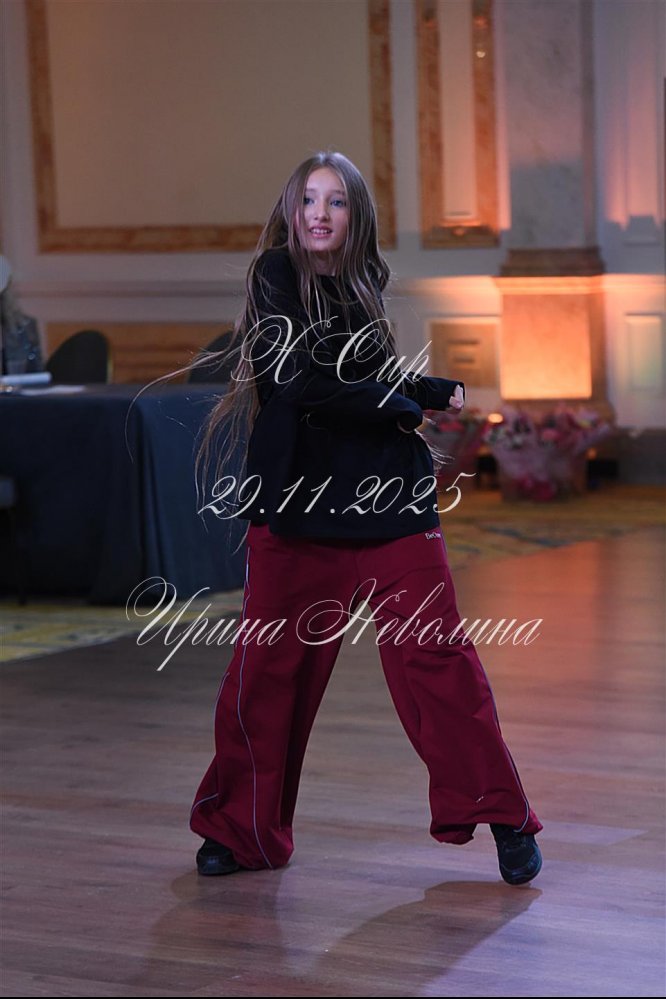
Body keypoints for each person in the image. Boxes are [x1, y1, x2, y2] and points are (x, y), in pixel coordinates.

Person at [189, 151, 543, 886]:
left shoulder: (362, 282)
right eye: (308, 200)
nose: (319, 214)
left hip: (387, 500)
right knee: (270, 669)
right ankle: (239, 829)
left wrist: (422, 387)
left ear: (356, 216)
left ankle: (502, 814)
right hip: (298, 504)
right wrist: (397, 402)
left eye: (336, 201)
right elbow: (296, 378)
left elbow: (356, 376)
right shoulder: (274, 275)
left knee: (438, 657)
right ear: (291, 213)